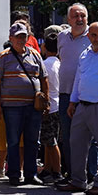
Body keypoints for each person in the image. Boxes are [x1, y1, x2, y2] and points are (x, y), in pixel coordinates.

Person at [62, 22, 98, 195]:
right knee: (76, 143)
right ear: (88, 36)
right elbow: (79, 78)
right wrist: (73, 101)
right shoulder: (84, 54)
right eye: (94, 35)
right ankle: (78, 181)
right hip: (83, 105)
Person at [0, 22, 47, 186]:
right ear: (10, 38)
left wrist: (46, 101)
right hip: (11, 106)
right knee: (13, 140)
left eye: (23, 36)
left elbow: (44, 78)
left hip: (33, 106)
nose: (20, 40)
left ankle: (30, 174)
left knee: (32, 141)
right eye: (17, 37)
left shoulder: (35, 54)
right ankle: (14, 174)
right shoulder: (3, 57)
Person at [55, 3, 91, 183]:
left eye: (82, 16)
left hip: (86, 95)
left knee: (89, 137)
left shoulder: (93, 36)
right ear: (68, 20)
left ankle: (90, 173)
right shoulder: (62, 37)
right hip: (65, 94)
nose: (79, 19)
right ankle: (71, 173)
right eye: (75, 16)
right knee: (68, 136)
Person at [39, 29, 64, 183]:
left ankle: (57, 170)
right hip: (58, 104)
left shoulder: (45, 64)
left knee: (51, 140)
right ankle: (48, 168)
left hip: (50, 106)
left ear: (45, 48)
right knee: (49, 140)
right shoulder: (60, 64)